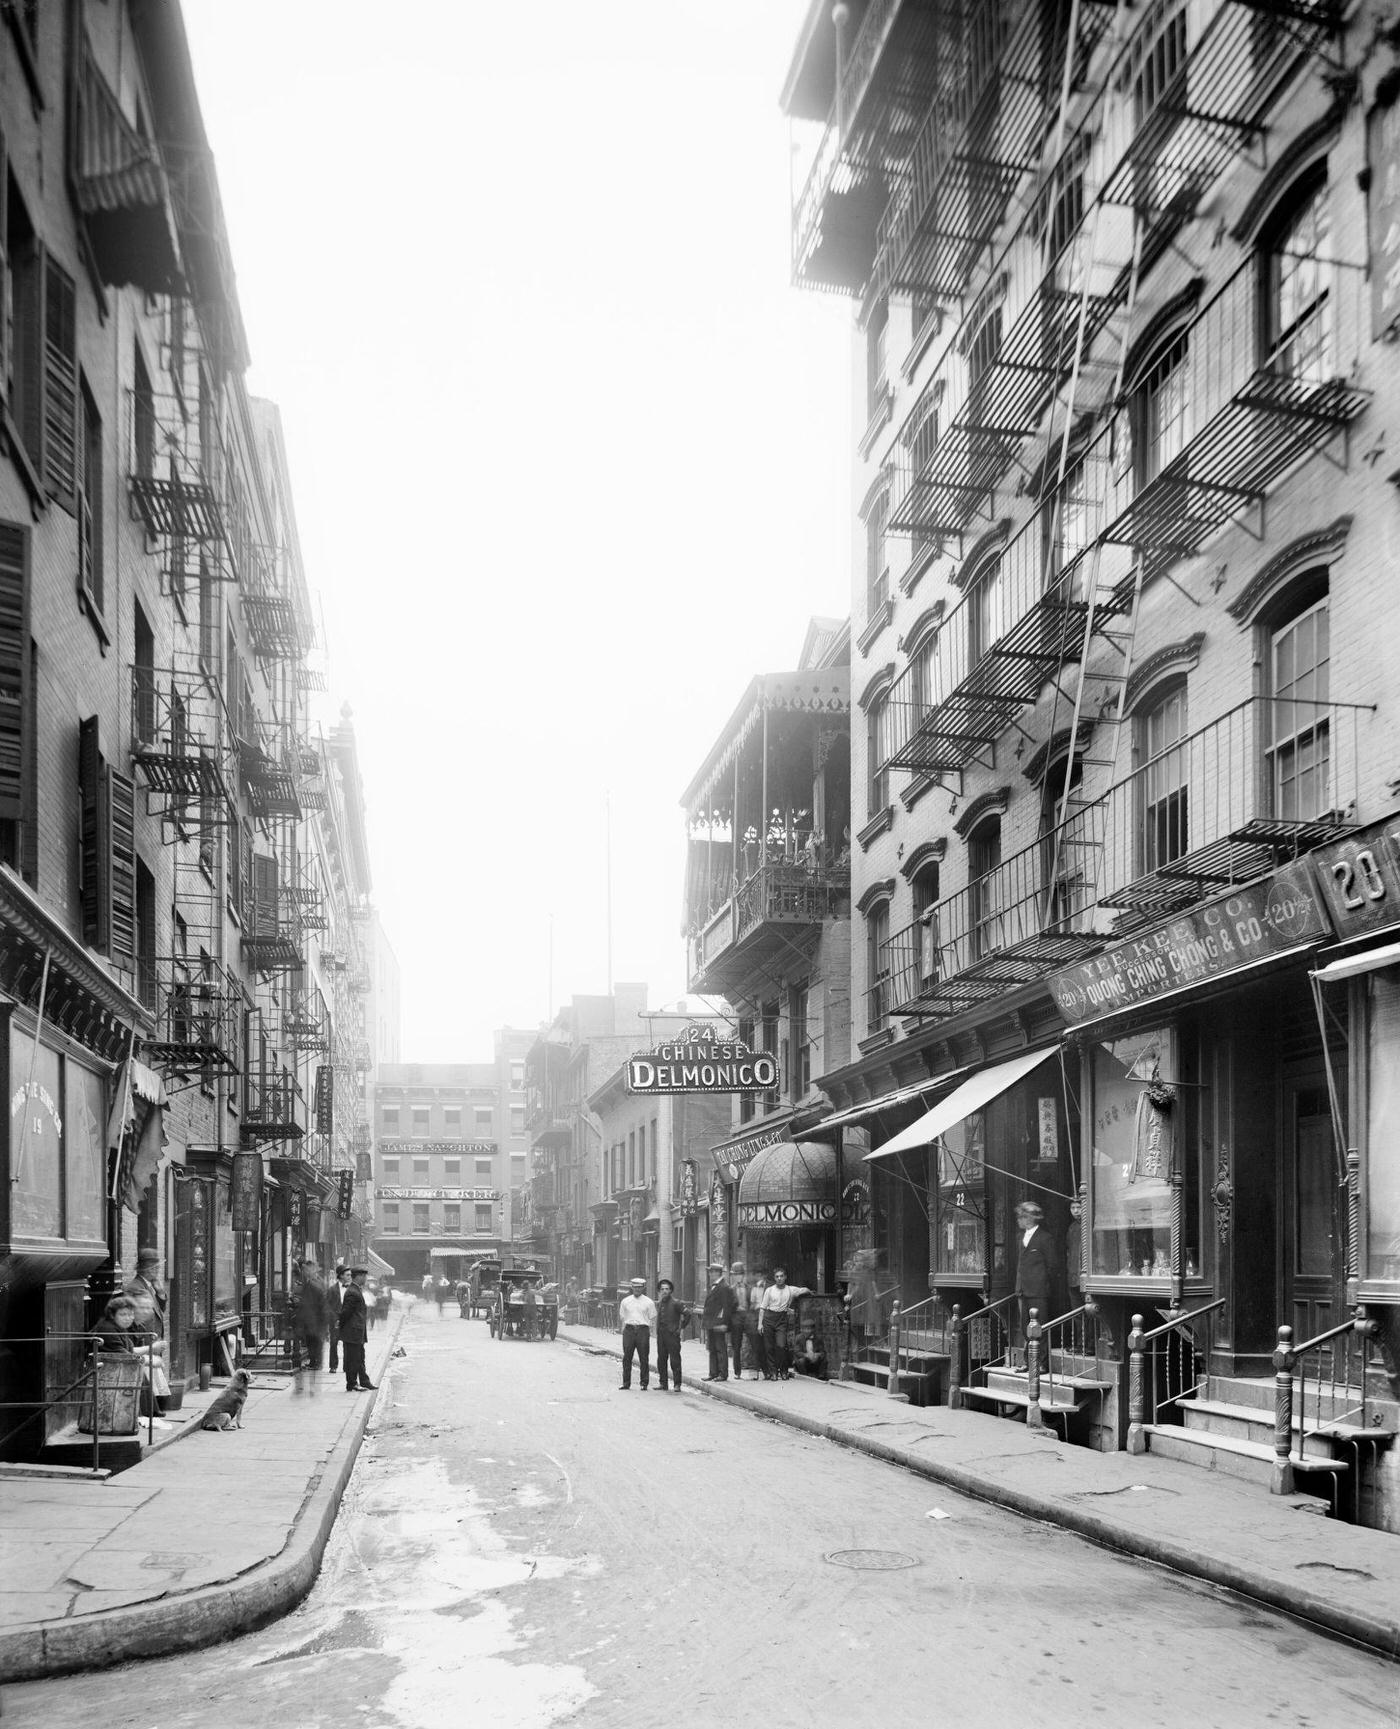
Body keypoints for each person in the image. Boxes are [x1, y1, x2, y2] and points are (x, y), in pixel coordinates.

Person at [124, 1248, 169, 1415]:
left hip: (151, 1336)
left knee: (151, 1374)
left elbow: (160, 1309)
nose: (157, 1271)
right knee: (146, 1373)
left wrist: (160, 1292)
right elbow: (132, 1314)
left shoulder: (149, 1285)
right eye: (155, 1268)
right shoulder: (135, 1287)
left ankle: (153, 1407)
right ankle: (149, 1409)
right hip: (142, 1337)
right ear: (148, 1268)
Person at [1014, 1200, 1060, 1340]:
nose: (1019, 1220)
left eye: (1021, 1217)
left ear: (1029, 1218)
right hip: (1022, 1290)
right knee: (1025, 1327)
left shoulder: (1045, 1238)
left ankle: (1041, 1360)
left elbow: (1052, 1265)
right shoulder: (1020, 1237)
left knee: (1040, 1327)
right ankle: (1030, 1359)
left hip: (1038, 1291)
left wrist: (1043, 1283)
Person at [757, 1268, 810, 1379]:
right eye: (777, 1276)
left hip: (781, 1319)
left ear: (785, 1277)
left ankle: (784, 1370)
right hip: (769, 1318)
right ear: (774, 1278)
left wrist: (806, 1292)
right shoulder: (769, 1290)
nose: (779, 1278)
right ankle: (773, 1372)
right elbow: (762, 1308)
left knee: (781, 1346)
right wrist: (760, 1324)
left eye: (781, 1276)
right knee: (769, 1347)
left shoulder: (790, 1290)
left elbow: (804, 1290)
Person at [290, 1260, 329, 1393]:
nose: (304, 1272)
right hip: (314, 1320)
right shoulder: (314, 1283)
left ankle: (315, 1363)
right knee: (313, 1342)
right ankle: (314, 1363)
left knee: (314, 1342)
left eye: (306, 1270)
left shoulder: (313, 1285)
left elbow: (315, 1304)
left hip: (313, 1320)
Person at [617, 1276, 657, 1390]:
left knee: (643, 1357)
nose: (637, 1290)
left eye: (639, 1288)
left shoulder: (649, 1302)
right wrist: (624, 1330)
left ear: (643, 1288)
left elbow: (653, 1317)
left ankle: (644, 1383)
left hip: (642, 1330)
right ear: (632, 1287)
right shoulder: (625, 1301)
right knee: (627, 1357)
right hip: (629, 1330)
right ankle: (626, 1383)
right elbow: (622, 1317)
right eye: (635, 1287)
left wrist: (650, 1331)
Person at [339, 1267, 375, 1392]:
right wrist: (342, 1327)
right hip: (352, 1331)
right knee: (352, 1359)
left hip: (357, 1331)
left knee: (359, 1357)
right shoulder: (352, 1292)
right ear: (358, 1277)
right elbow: (345, 1313)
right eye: (364, 1276)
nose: (365, 1279)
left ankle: (364, 1381)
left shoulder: (356, 1290)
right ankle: (352, 1383)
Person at [700, 1261, 736, 1381]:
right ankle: (713, 1373)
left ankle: (722, 1374)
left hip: (718, 1323)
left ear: (717, 1273)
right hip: (711, 1323)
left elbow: (727, 1307)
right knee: (712, 1348)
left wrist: (724, 1323)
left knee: (720, 1349)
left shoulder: (724, 1287)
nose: (710, 1274)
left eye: (712, 1272)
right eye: (710, 1272)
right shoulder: (715, 1285)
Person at [655, 1278, 687, 1392]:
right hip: (661, 1335)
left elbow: (687, 1314)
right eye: (662, 1289)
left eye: (667, 1289)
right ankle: (663, 1383)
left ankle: (677, 1384)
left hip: (672, 1335)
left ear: (671, 1290)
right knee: (661, 1360)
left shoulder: (676, 1303)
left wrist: (680, 1328)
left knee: (675, 1360)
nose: (664, 1291)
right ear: (659, 1291)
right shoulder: (659, 1303)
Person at [730, 1260, 759, 1381]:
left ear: (743, 1275)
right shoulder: (730, 1289)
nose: (738, 1276)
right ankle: (737, 1372)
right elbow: (727, 1307)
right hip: (736, 1319)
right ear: (733, 1276)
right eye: (736, 1274)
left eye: (740, 1274)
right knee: (736, 1346)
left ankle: (754, 1373)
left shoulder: (750, 1288)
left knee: (755, 1344)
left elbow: (754, 1303)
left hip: (748, 1319)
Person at [327, 1264, 350, 1374]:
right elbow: (328, 1306)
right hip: (335, 1320)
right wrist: (335, 1319)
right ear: (341, 1276)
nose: (349, 1277)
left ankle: (347, 1366)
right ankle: (333, 1366)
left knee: (347, 1343)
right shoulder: (332, 1289)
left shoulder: (351, 1289)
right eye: (347, 1275)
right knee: (333, 1343)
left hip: (347, 1320)